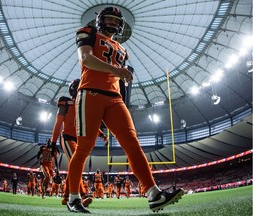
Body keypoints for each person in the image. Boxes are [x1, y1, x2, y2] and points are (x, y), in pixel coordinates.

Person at [66, 6, 184, 213]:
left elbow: (119, 77)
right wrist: (115, 70)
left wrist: (121, 77)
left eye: (115, 21)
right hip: (90, 92)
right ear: (100, 20)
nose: (112, 23)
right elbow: (85, 58)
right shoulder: (87, 32)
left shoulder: (122, 49)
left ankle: (153, 193)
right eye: (109, 19)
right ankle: (73, 198)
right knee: (84, 147)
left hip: (114, 98)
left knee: (132, 143)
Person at [49, 79, 107, 207]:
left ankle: (65, 196)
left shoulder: (83, 105)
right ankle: (82, 195)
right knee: (77, 164)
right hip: (67, 137)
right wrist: (53, 143)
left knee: (74, 166)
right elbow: (58, 123)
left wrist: (102, 135)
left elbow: (90, 123)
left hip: (78, 140)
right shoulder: (65, 102)